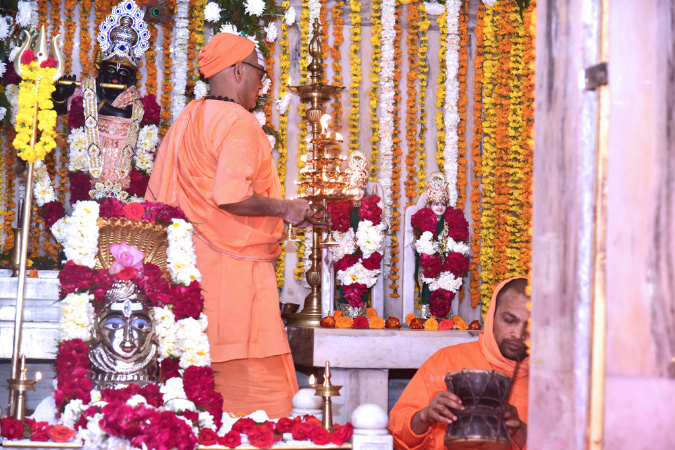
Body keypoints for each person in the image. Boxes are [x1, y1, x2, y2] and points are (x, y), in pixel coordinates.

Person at [145, 32, 310, 418]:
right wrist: (287, 208)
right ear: (238, 70)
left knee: (192, 391)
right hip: (236, 281)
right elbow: (231, 195)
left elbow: (157, 200)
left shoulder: (187, 119)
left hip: (186, 278)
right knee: (261, 406)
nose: (262, 85)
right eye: (260, 74)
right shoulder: (239, 122)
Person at [388, 277, 530, 449]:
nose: (518, 334)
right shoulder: (447, 361)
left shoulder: (552, 381)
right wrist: (424, 417)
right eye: (509, 320)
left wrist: (520, 430)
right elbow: (395, 438)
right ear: (492, 316)